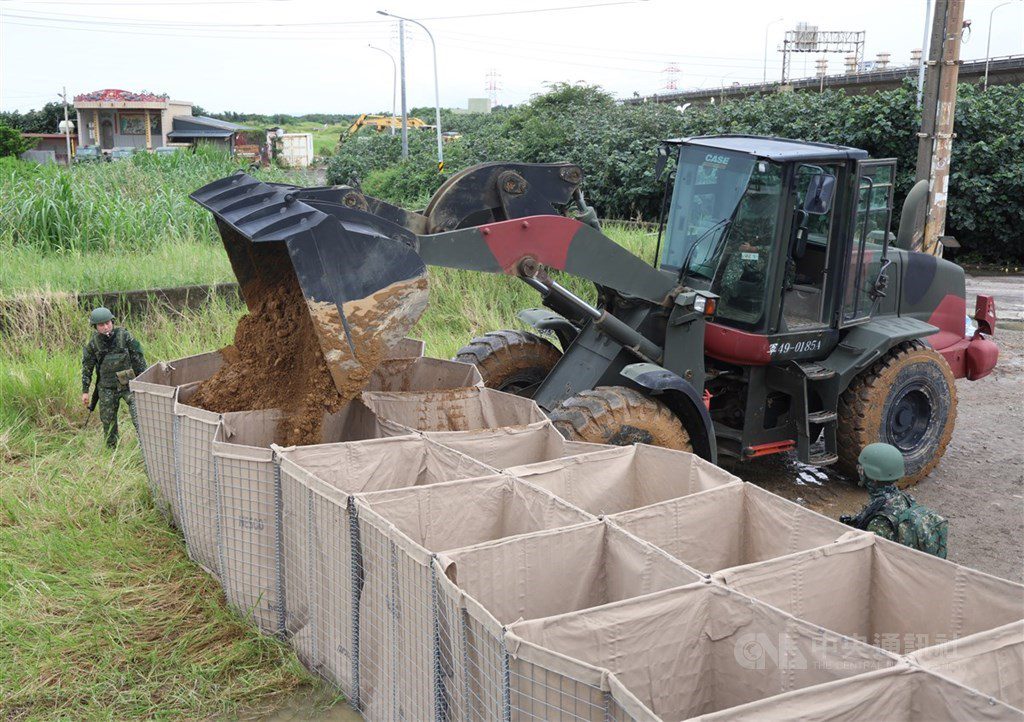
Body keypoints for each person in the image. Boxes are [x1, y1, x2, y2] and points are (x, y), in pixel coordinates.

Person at [840, 443, 948, 558]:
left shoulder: (879, 523)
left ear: (873, 476)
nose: (859, 471)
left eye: (861, 469)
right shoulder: (904, 499)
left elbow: (870, 561)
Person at [81, 307, 147, 448]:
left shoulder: (124, 336)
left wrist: (144, 380)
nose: (106, 327)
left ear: (112, 321)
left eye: (108, 323)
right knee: (108, 422)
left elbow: (138, 358)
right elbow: (87, 367)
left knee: (140, 418)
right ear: (95, 327)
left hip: (128, 385)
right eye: (101, 325)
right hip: (106, 388)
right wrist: (85, 391)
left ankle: (146, 448)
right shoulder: (93, 344)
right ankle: (112, 452)